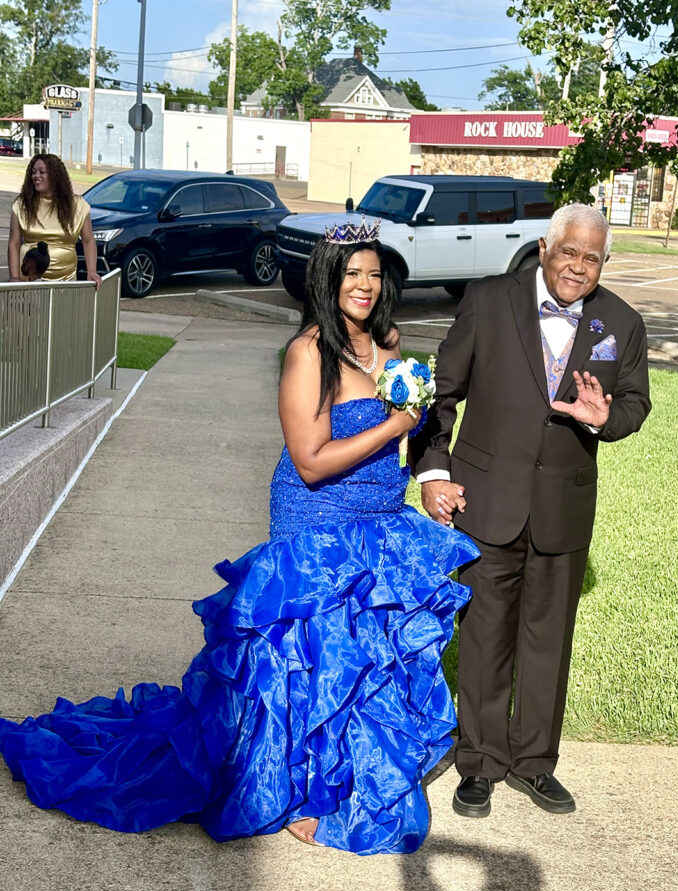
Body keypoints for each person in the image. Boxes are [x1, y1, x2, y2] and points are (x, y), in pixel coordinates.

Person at [0, 224, 479, 855]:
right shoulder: (309, 352)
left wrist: (424, 466)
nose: (364, 286)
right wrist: (395, 421)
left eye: (373, 272)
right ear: (327, 279)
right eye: (350, 273)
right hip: (317, 517)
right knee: (314, 653)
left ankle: (341, 773)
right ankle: (302, 788)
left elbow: (411, 437)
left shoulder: (388, 343)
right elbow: (310, 459)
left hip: (380, 521)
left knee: (364, 653)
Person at [412, 204, 651, 820]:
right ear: (545, 247)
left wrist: (608, 419)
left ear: (604, 263)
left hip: (563, 508)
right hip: (485, 500)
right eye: (569, 251)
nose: (578, 266)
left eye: (592, 257)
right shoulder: (489, 300)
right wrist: (435, 470)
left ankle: (535, 763)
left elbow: (634, 404)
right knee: (486, 636)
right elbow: (441, 394)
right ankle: (481, 764)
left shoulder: (621, 322)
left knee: (549, 640)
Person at [8, 153, 101, 288]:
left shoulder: (78, 206)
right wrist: (14, 278)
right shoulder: (22, 205)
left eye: (42, 172)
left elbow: (88, 240)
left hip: (65, 281)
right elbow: (14, 243)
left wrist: (92, 271)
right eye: (33, 172)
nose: (36, 176)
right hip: (28, 281)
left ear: (55, 176)